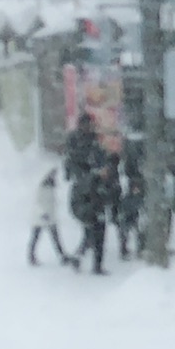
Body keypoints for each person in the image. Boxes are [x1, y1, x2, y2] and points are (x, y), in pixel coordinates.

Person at [65, 113, 110, 275]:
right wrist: (97, 174)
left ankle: (84, 259)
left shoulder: (89, 142)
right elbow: (76, 172)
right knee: (95, 229)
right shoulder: (82, 145)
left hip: (91, 193)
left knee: (94, 230)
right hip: (87, 195)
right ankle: (91, 262)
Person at [27, 166, 73, 267]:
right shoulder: (42, 187)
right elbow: (38, 202)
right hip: (40, 217)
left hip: (50, 216)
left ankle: (62, 256)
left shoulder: (51, 187)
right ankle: (31, 256)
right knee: (36, 237)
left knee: (55, 238)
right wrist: (42, 213)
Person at [114, 142, 145, 260]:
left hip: (131, 194)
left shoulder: (129, 156)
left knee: (131, 222)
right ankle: (135, 246)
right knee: (134, 221)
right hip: (132, 194)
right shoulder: (136, 158)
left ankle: (128, 246)